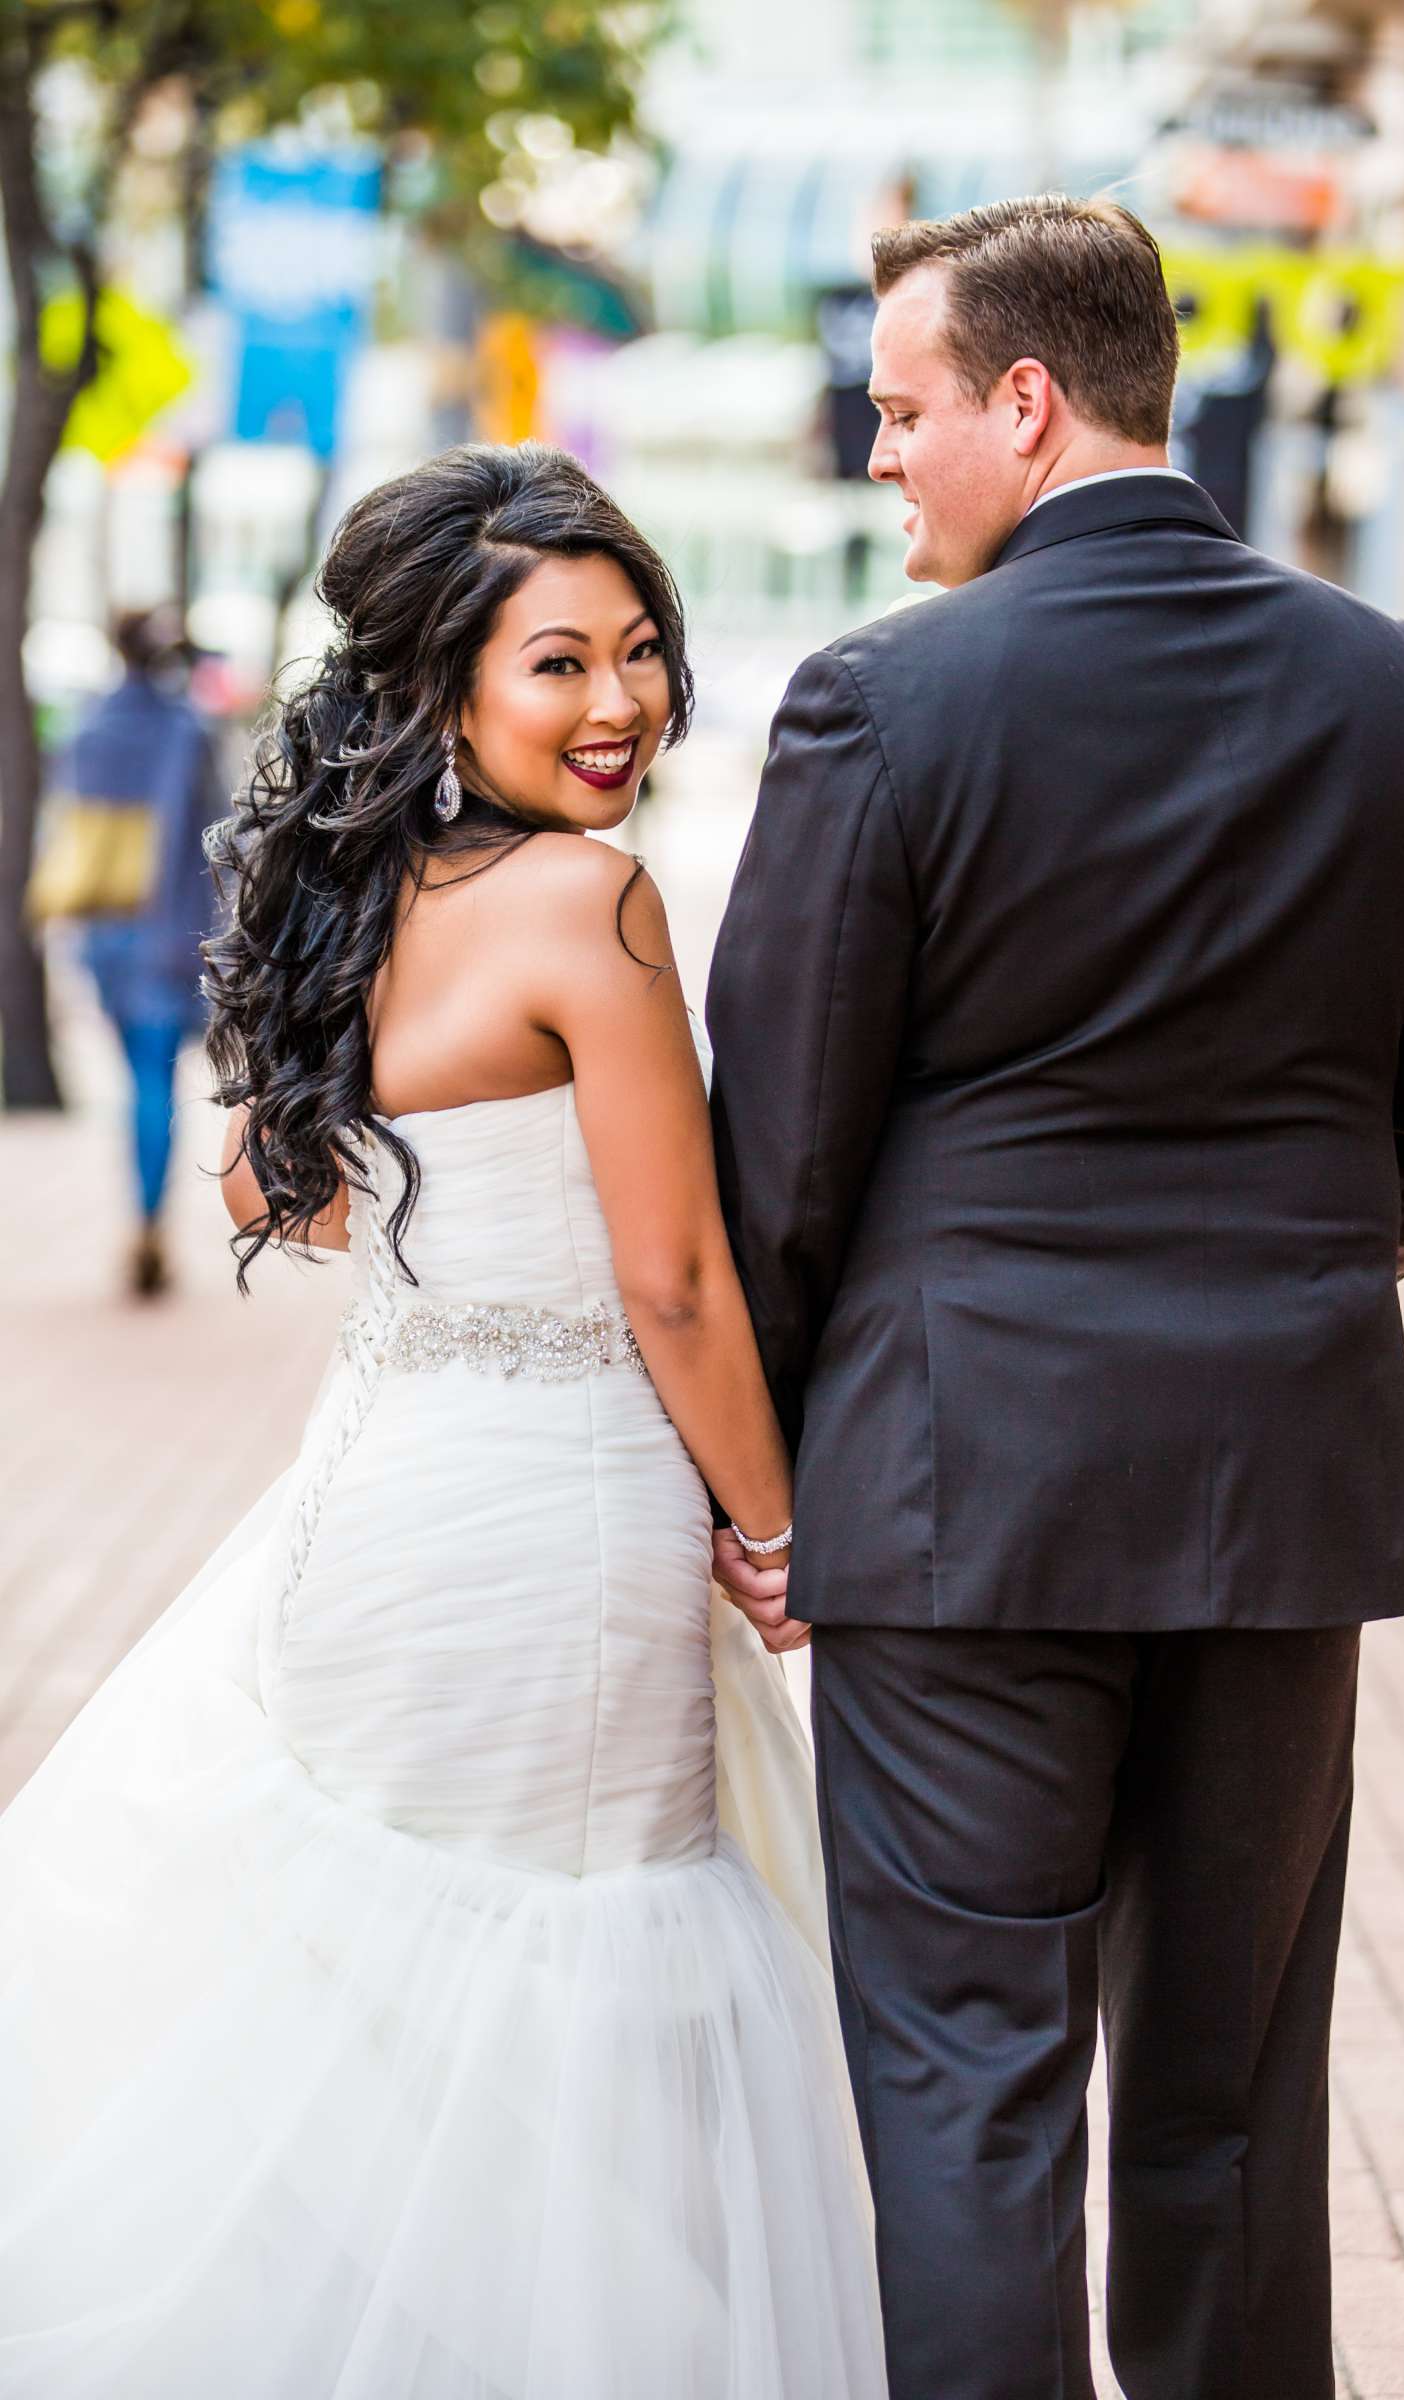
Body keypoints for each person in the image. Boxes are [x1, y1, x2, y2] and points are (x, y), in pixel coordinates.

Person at [707, 196, 1404, 2400]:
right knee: (1228, 2100)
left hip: (956, 1491)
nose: (873, 455)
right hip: (1272, 1481)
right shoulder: (1395, 687)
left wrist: (764, 1460)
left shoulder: (880, 703)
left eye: (896, 412)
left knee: (972, 2091)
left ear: (1021, 397)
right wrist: (1280, 1274)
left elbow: (777, 1154)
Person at [0, 446, 886, 2399]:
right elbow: (670, 1284)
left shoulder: (348, 899)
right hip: (556, 1546)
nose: (620, 705)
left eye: (640, 653)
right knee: (570, 2014)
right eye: (556, 664)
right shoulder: (594, 906)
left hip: (366, 1514)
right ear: (441, 690)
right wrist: (776, 1528)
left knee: (388, 2015)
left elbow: (264, 1188)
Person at [56, 607, 224, 1296]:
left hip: (103, 928)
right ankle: (150, 1224)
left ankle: (144, 1220)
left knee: (137, 1078)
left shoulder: (88, 727)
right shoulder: (187, 730)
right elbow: (217, 839)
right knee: (157, 1081)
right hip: (167, 925)